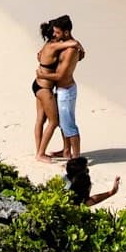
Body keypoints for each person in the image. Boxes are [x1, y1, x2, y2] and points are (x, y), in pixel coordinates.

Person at [44, 14, 85, 161]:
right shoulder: (70, 44)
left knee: (69, 126)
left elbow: (61, 75)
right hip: (62, 90)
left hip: (66, 91)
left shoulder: (71, 50)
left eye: (57, 32)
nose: (54, 35)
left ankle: (76, 158)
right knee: (63, 123)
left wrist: (42, 75)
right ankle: (66, 151)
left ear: (66, 32)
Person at [31, 20, 69, 161]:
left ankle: (39, 151)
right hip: (45, 88)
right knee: (54, 121)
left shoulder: (47, 45)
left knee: (40, 119)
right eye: (55, 32)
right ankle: (40, 154)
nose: (57, 34)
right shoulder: (53, 46)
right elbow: (71, 44)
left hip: (37, 85)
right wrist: (79, 45)